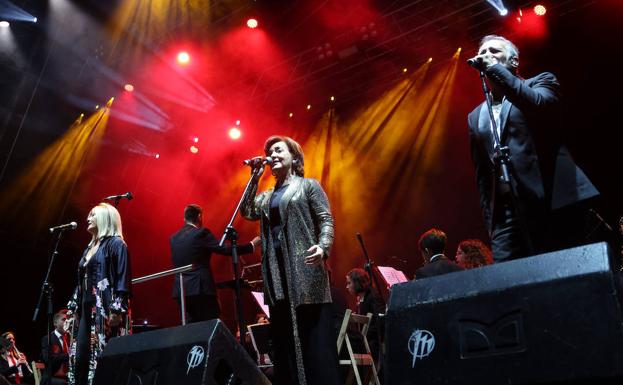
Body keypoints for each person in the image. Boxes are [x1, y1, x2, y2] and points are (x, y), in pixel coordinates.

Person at [467, 35, 599, 261]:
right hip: (507, 213)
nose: (487, 55)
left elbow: (539, 105)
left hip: (552, 199)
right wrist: (491, 219)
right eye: (483, 51)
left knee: (562, 272)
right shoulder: (475, 115)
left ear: (514, 62)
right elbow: (482, 173)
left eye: (495, 51)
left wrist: (496, 69)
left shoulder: (540, 83)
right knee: (509, 280)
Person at [241, 135, 340, 385]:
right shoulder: (265, 197)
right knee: (284, 342)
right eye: (268, 151)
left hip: (306, 272)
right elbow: (247, 211)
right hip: (277, 277)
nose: (272, 154)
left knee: (313, 340)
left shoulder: (308, 186)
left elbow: (326, 219)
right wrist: (254, 175)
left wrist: (323, 246)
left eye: (277, 150)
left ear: (294, 157)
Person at [67, 203, 131, 385]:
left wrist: (117, 309)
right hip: (86, 310)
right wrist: (72, 309)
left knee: (102, 358)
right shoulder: (89, 248)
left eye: (92, 215)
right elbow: (80, 282)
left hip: (105, 310)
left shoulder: (116, 244)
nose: (88, 218)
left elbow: (122, 277)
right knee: (80, 359)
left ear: (105, 218)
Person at [170, 204, 260, 323]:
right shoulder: (200, 233)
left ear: (185, 218)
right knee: (211, 323)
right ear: (199, 216)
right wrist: (251, 245)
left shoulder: (174, 238)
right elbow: (225, 250)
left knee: (192, 327)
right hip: (201, 289)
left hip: (182, 290)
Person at [345, 268, 384, 365]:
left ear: (357, 283)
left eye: (349, 283)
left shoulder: (372, 297)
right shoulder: (362, 297)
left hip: (374, 345)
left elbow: (380, 322)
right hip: (367, 342)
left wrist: (362, 336)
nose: (347, 286)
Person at [41, 310, 70, 384]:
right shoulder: (48, 339)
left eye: (68, 319)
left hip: (67, 377)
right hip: (52, 377)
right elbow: (48, 358)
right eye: (64, 320)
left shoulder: (69, 338)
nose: (67, 322)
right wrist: (68, 355)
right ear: (55, 323)